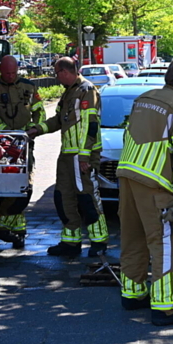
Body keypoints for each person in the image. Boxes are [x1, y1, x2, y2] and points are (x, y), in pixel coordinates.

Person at [117, 57, 173, 326]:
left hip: (127, 173)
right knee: (163, 240)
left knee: (132, 235)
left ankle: (132, 294)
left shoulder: (144, 97)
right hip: (154, 181)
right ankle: (164, 307)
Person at [28, 56, 108, 257]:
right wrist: (38, 129)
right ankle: (70, 243)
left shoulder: (87, 91)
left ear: (65, 72)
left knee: (88, 199)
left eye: (57, 73)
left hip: (83, 157)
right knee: (63, 197)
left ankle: (99, 242)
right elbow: (58, 120)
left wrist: (84, 156)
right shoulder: (68, 93)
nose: (56, 77)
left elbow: (90, 125)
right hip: (67, 155)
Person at [0, 55, 45, 249]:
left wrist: (33, 129)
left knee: (23, 186)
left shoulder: (28, 87)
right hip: (1, 146)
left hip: (25, 144)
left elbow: (39, 110)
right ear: (0, 71)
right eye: (7, 73)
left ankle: (16, 228)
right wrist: (7, 135)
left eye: (13, 72)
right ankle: (5, 223)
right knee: (5, 185)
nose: (11, 76)